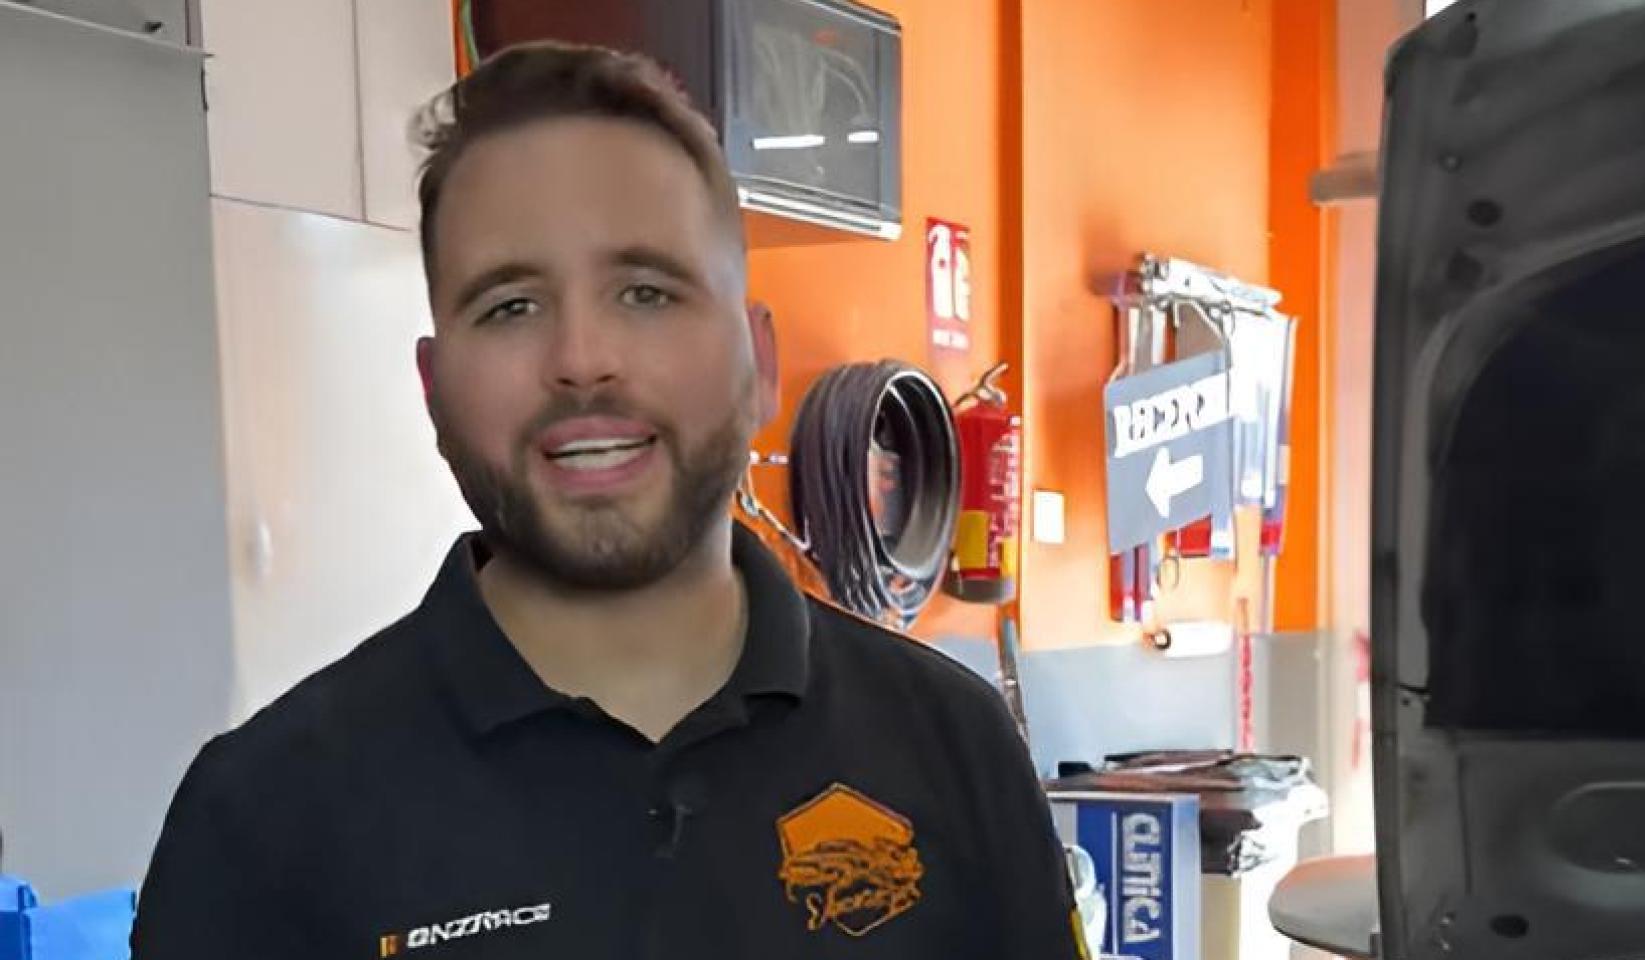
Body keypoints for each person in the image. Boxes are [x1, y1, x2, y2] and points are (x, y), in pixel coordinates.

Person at [131, 42, 1087, 959]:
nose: (582, 359)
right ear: (433, 388)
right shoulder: (263, 820)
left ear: (759, 362)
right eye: (510, 306)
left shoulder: (953, 749)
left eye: (646, 293)